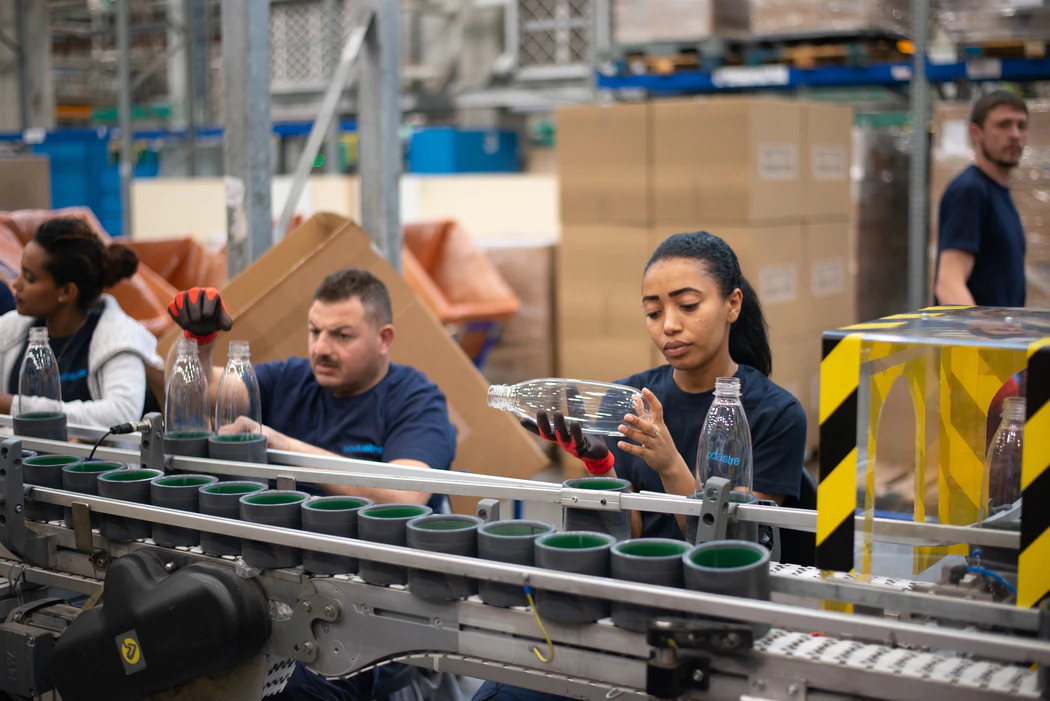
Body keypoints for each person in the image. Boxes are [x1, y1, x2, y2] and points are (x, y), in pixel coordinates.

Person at [472, 232, 808, 701]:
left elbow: (732, 555)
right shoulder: (627, 400)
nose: (668, 326)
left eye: (688, 306)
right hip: (632, 600)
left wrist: (669, 463)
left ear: (732, 305)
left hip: (714, 620)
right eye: (653, 312)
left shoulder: (774, 414)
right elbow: (625, 531)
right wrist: (599, 463)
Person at [165, 268, 458, 701]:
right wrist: (196, 343)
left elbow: (404, 498)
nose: (322, 348)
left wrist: (280, 443)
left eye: (342, 335)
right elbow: (204, 389)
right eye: (315, 331)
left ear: (384, 338)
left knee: (290, 692)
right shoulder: (292, 379)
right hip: (288, 588)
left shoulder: (415, 399)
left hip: (378, 608)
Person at [0, 217, 161, 426]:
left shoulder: (119, 338)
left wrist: (13, 406)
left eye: (30, 278)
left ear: (67, 292)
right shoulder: (10, 330)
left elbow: (122, 413)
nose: (16, 283)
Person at [935, 91, 1028, 307]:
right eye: (1003, 125)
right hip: (982, 339)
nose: (1015, 134)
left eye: (1021, 126)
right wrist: (984, 340)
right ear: (976, 133)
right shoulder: (970, 191)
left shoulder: (998, 192)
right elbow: (948, 285)